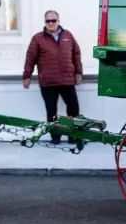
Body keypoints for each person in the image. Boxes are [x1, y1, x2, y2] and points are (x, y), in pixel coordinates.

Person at [22, 10, 82, 144]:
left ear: (58, 21)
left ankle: (73, 136)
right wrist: (27, 76)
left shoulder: (68, 35)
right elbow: (30, 58)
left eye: (53, 21)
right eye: (48, 21)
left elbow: (76, 55)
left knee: (73, 109)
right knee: (52, 111)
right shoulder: (38, 38)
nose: (50, 23)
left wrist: (78, 73)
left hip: (67, 80)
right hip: (48, 82)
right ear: (45, 23)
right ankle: (55, 137)